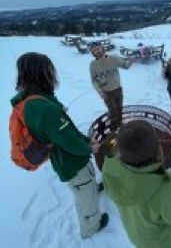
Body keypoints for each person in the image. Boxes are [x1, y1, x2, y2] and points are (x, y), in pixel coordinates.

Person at [10, 52, 108, 239]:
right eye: (50, 70)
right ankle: (91, 226)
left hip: (62, 159)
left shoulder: (33, 99)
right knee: (85, 196)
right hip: (72, 163)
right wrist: (89, 148)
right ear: (40, 73)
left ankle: (90, 188)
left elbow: (62, 131)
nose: (53, 74)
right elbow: (68, 140)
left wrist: (85, 140)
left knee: (84, 187)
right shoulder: (44, 108)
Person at [103, 120, 171, 248]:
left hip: (138, 237)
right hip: (164, 243)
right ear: (157, 150)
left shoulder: (111, 165)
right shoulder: (162, 191)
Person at [89, 41, 131, 131]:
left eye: (98, 49)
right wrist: (101, 93)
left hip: (118, 89)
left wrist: (129, 62)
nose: (97, 51)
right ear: (93, 53)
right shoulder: (92, 65)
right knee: (113, 111)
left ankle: (120, 126)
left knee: (119, 109)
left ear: (102, 48)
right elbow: (94, 81)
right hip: (106, 92)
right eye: (95, 50)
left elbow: (125, 65)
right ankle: (113, 129)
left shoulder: (113, 58)